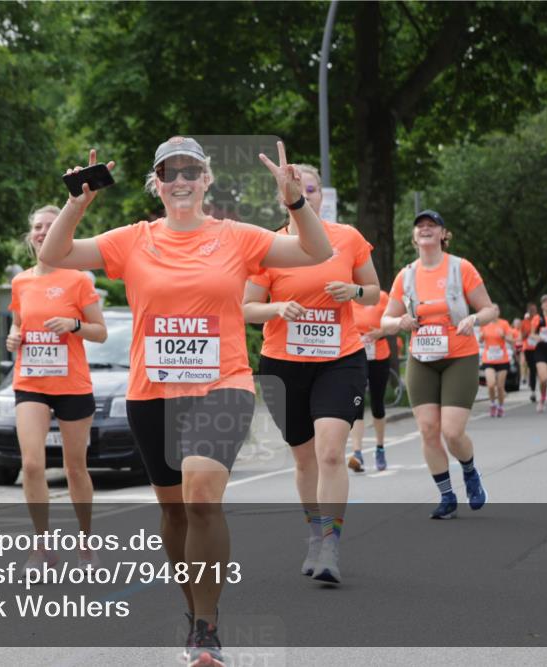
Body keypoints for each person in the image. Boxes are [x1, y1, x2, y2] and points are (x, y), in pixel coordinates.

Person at [39, 138, 332, 667]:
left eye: (190, 172)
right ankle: (195, 608)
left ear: (206, 180)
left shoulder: (237, 236)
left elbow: (317, 252)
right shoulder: (133, 239)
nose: (180, 181)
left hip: (222, 384)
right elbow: (53, 255)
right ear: (156, 183)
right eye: (169, 172)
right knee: (173, 512)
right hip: (152, 392)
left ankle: (206, 625)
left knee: (201, 498)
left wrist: (294, 202)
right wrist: (76, 203)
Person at [242, 163, 380, 583]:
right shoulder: (268, 247)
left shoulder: (348, 238)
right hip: (284, 364)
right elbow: (246, 309)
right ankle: (315, 534)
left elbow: (373, 292)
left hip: (340, 359)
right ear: (283, 197)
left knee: (331, 453)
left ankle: (331, 546)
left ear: (322, 195)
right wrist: (277, 308)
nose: (307, 195)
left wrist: (354, 291)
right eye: (298, 189)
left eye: (313, 188)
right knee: (304, 460)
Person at [5, 204, 107, 571]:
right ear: (30, 234)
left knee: (74, 468)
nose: (43, 231)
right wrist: (14, 337)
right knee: (32, 464)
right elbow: (18, 324)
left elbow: (100, 332)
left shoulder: (77, 280)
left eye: (50, 226)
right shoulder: (21, 282)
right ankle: (42, 547)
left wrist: (74, 325)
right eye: (37, 226)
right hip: (30, 381)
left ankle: (86, 543)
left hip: (71, 384)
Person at [380, 210, 499, 520]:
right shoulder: (406, 275)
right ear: (414, 236)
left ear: (443, 235)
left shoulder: (461, 268)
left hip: (459, 356)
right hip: (422, 358)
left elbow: (490, 309)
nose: (425, 229)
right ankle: (447, 496)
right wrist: (399, 322)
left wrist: (474, 318)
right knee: (428, 429)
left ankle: (470, 472)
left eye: (432, 225)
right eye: (420, 226)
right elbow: (385, 319)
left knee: (452, 431)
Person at [348, 290, 392, 473]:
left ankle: (380, 448)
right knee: (356, 403)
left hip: (379, 355)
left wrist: (381, 332)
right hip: (356, 355)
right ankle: (357, 453)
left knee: (377, 404)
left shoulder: (382, 297)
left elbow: (393, 322)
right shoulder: (349, 298)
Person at [479, 316, 515, 417]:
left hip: (502, 359)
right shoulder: (484, 324)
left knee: (500, 386)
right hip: (488, 359)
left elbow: (512, 340)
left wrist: (504, 336)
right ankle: (492, 404)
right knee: (490, 384)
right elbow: (480, 340)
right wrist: (481, 337)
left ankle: (501, 406)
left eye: (496, 310)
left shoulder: (504, 324)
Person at [521, 303, 539, 402]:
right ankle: (533, 391)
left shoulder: (540, 320)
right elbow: (521, 336)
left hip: (539, 347)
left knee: (537, 369)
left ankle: (536, 389)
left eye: (534, 310)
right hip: (528, 348)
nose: (532, 312)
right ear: (528, 311)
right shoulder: (524, 322)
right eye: (531, 310)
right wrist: (528, 333)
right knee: (532, 369)